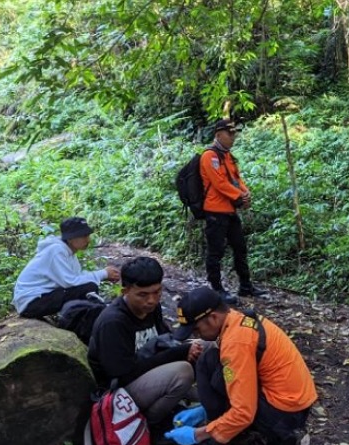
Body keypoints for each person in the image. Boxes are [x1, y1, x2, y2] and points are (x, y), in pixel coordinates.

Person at [164, 287, 317, 445]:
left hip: (285, 411)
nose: (196, 336)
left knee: (214, 372)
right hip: (293, 398)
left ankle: (247, 434)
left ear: (213, 318)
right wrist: (203, 411)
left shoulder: (236, 342)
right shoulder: (235, 317)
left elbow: (244, 412)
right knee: (209, 360)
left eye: (196, 330)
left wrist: (198, 434)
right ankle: (219, 422)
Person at [87, 256, 202, 430]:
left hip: (149, 375)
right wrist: (179, 353)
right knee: (182, 371)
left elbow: (164, 338)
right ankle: (151, 423)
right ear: (124, 291)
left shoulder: (150, 308)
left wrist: (187, 349)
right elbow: (123, 373)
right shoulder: (113, 322)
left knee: (205, 345)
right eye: (143, 294)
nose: (151, 300)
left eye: (157, 292)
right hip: (120, 390)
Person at [201, 119, 266, 302]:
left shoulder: (228, 156)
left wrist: (245, 193)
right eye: (229, 134)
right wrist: (239, 196)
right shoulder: (209, 156)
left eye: (234, 134)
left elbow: (236, 178)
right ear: (218, 134)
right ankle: (216, 289)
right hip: (215, 211)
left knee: (240, 248)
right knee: (215, 251)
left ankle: (245, 286)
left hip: (230, 211)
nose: (233, 137)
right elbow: (219, 183)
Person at [13, 216, 120, 319]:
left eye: (88, 235)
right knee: (88, 288)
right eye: (83, 236)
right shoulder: (57, 251)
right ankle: (96, 317)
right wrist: (103, 274)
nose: (88, 240)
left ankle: (92, 316)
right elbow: (70, 283)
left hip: (39, 299)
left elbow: (76, 277)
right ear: (70, 239)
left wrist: (103, 275)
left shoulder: (68, 252)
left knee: (88, 288)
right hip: (30, 303)